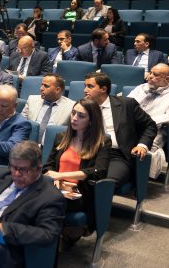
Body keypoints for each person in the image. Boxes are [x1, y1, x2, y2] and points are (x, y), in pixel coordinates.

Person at [43, 98, 111, 248]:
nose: (74, 118)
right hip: (56, 188)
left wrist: (61, 176)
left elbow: (98, 171)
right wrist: (54, 178)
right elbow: (47, 166)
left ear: (91, 120)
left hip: (81, 193)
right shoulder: (61, 137)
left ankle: (48, 243)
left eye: (81, 116)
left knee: (50, 202)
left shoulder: (102, 143)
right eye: (73, 113)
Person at [83, 72, 156, 186]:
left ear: (103, 89)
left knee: (104, 183)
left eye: (90, 86)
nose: (85, 90)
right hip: (89, 152)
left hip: (116, 155)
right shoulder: (83, 106)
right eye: (85, 86)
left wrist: (142, 145)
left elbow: (150, 125)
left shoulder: (126, 104)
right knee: (76, 176)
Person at [127, 64, 169, 177]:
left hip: (155, 130)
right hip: (130, 126)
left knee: (142, 149)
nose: (150, 76)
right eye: (150, 73)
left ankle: (139, 178)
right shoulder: (141, 88)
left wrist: (145, 121)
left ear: (167, 79)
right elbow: (126, 106)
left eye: (155, 75)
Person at [21, 74, 76, 144]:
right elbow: (21, 123)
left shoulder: (71, 106)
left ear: (57, 90)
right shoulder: (32, 100)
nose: (41, 88)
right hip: (28, 144)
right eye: (41, 85)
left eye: (46, 86)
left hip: (54, 146)